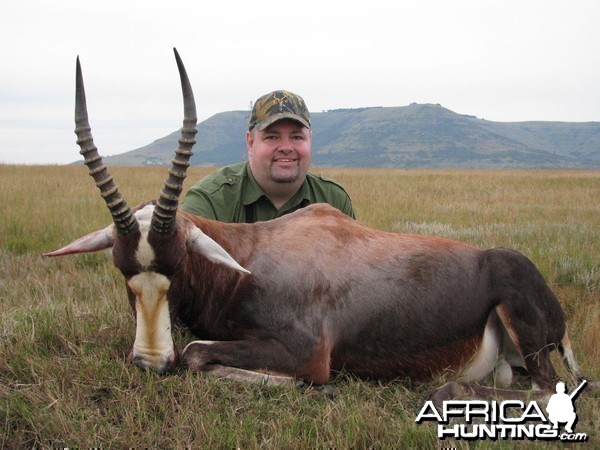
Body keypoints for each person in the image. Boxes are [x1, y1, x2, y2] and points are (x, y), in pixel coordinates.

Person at [179, 90, 355, 223]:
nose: (286, 148)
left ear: (310, 140)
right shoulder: (210, 201)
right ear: (250, 142)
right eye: (272, 137)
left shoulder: (334, 200)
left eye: (297, 137)